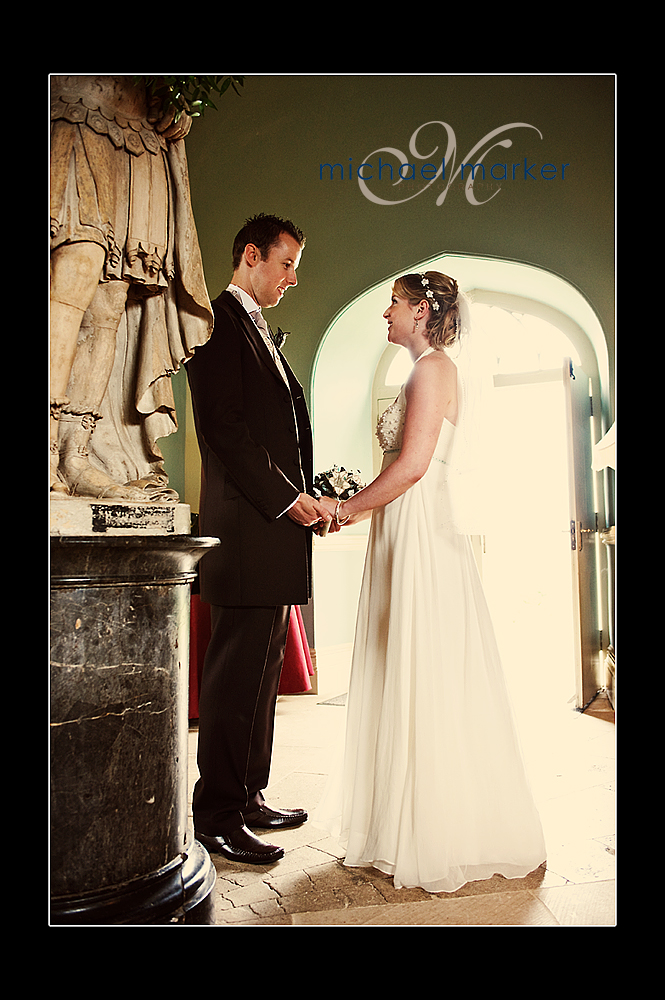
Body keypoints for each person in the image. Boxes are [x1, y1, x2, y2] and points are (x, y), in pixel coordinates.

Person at [314, 271, 546, 893]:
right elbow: (404, 464)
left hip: (419, 531)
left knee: (424, 667)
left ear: (420, 312)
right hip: (401, 527)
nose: (383, 313)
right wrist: (359, 508)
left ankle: (434, 829)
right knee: (403, 666)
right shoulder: (422, 370)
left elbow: (414, 466)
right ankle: (400, 820)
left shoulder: (433, 371)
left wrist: (345, 508)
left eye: (392, 303)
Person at [186, 214, 335, 865]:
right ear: (251, 255)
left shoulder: (255, 329)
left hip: (270, 539)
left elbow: (278, 432)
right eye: (285, 263)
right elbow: (223, 429)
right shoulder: (217, 322)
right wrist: (287, 497)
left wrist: (306, 493)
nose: (292, 277)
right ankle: (215, 813)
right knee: (232, 680)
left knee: (261, 675)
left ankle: (247, 796)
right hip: (245, 534)